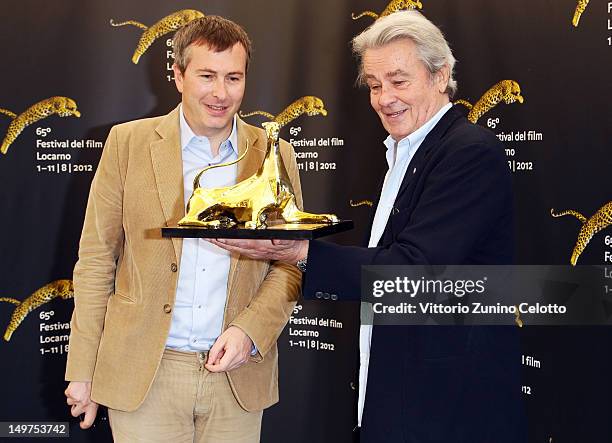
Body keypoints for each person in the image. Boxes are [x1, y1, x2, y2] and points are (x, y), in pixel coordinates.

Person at [211, 10, 525, 443]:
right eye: (375, 85)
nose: (383, 98)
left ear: (441, 75)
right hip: (402, 396)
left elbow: (414, 271)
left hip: (450, 409)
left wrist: (299, 252)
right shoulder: (406, 151)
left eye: (399, 81)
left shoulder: (466, 153)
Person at [64, 16, 302, 443]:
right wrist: (83, 370)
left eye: (233, 77)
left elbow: (290, 263)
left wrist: (250, 332)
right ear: (177, 75)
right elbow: (97, 259)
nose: (220, 93)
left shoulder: (274, 154)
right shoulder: (127, 144)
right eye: (206, 76)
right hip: (144, 375)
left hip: (238, 377)